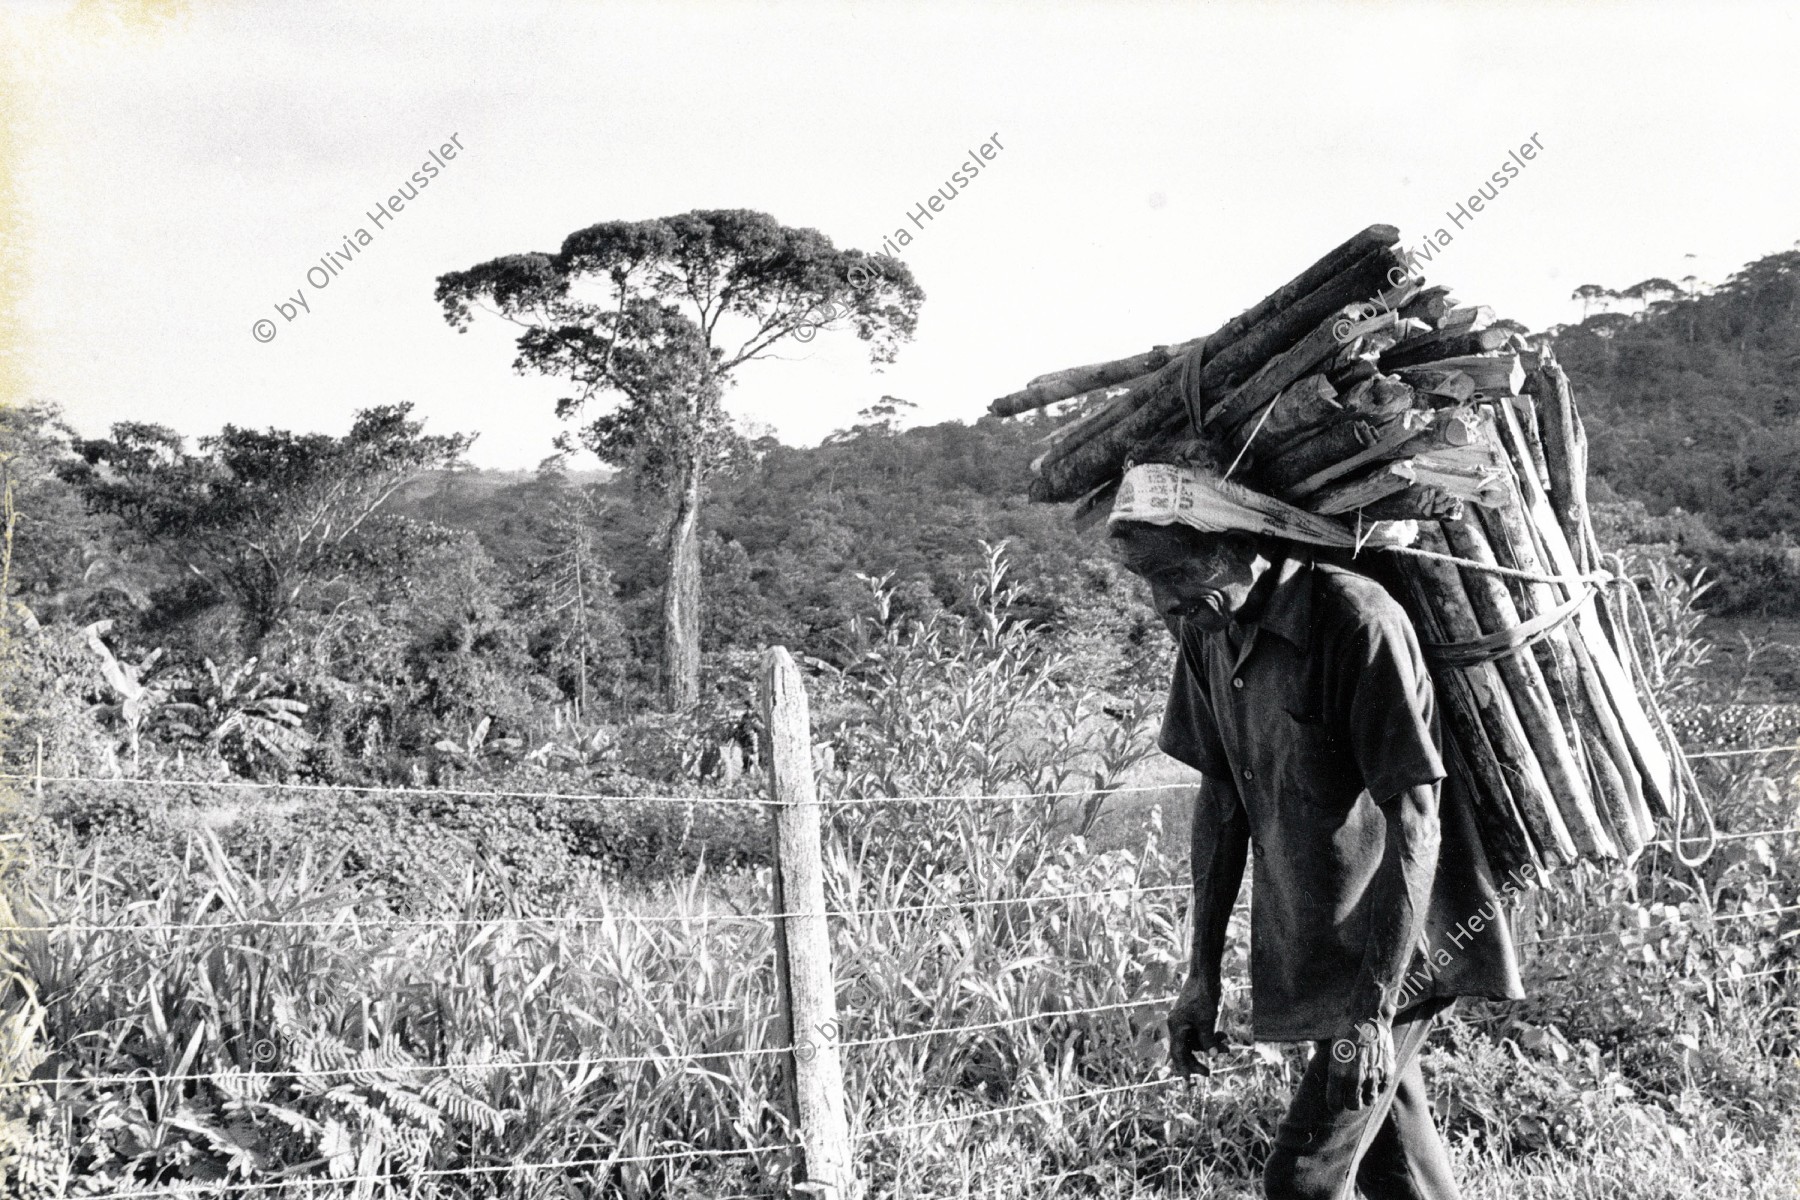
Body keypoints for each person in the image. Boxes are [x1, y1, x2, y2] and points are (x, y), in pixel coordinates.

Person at [1107, 460, 1525, 1200]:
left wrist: (1374, 1009)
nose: (1165, 603)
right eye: (1151, 585)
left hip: (1409, 943)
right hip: (1324, 939)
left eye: (1174, 574)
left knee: (1301, 1181)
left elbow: (1417, 819)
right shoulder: (1206, 627)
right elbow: (1222, 803)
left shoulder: (1356, 621)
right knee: (1399, 1164)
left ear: (1241, 545)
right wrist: (1200, 977)